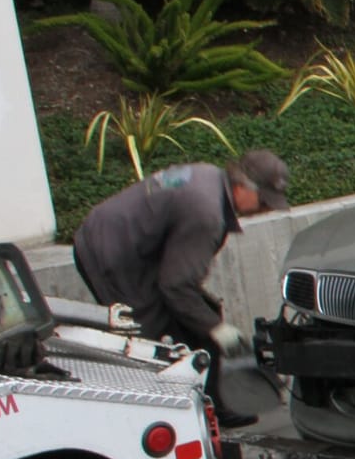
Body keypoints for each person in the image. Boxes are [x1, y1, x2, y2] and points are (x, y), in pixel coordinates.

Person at [72, 152, 290, 427]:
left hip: (128, 241)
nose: (265, 209)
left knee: (201, 316)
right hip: (112, 253)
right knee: (150, 335)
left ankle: (215, 404)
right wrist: (217, 329)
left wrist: (209, 321)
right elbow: (176, 287)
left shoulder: (209, 175)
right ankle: (160, 420)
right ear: (243, 186)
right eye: (264, 201)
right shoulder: (206, 213)